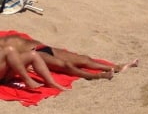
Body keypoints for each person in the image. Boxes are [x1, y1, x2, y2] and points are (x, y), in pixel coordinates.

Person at [0, 32, 138, 85]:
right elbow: (8, 60)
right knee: (66, 66)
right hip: (36, 54)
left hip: (42, 47)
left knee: (83, 59)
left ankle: (119, 67)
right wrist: (25, 63)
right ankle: (97, 76)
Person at [1, 46, 70, 92]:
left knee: (33, 54)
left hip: (4, 74)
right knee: (9, 49)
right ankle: (27, 80)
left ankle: (51, 82)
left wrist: (19, 64)